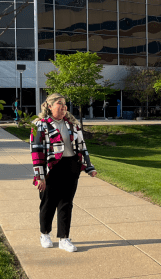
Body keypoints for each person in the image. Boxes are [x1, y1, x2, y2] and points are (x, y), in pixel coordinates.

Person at [30, 93, 97, 252]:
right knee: (48, 202)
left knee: (66, 203)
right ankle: (45, 233)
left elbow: (82, 147)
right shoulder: (39, 125)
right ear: (49, 106)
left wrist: (89, 166)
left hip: (71, 166)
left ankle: (64, 238)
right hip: (51, 168)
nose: (64, 107)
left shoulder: (72, 124)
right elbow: (36, 152)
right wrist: (40, 176)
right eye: (60, 103)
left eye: (65, 104)